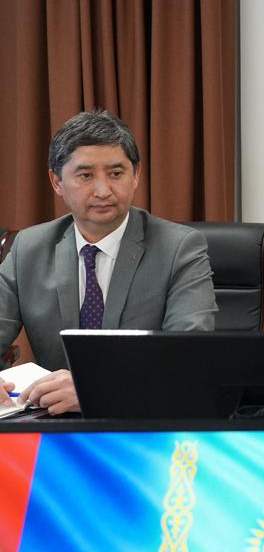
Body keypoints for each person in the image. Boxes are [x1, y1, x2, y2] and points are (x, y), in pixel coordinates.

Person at [0, 110, 217, 414]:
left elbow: (188, 356)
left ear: (136, 174)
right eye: (86, 176)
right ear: (56, 181)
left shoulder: (179, 248)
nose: (103, 191)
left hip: (142, 420)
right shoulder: (29, 248)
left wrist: (94, 389)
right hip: (52, 423)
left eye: (116, 174)